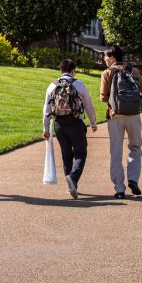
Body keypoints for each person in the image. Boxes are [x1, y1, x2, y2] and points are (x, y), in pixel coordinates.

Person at [99, 45, 142, 200]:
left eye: (105, 57)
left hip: (115, 116)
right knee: (135, 147)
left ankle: (120, 189)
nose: (104, 59)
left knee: (116, 151)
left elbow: (103, 97)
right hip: (133, 115)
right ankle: (133, 179)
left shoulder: (107, 73)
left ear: (112, 58)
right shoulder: (133, 71)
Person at [43, 59, 98, 199]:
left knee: (66, 155)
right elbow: (88, 105)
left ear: (61, 70)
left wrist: (46, 129)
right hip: (76, 122)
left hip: (59, 124)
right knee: (81, 153)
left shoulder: (52, 86)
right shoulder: (79, 84)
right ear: (73, 70)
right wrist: (93, 122)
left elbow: (46, 110)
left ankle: (70, 186)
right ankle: (73, 178)